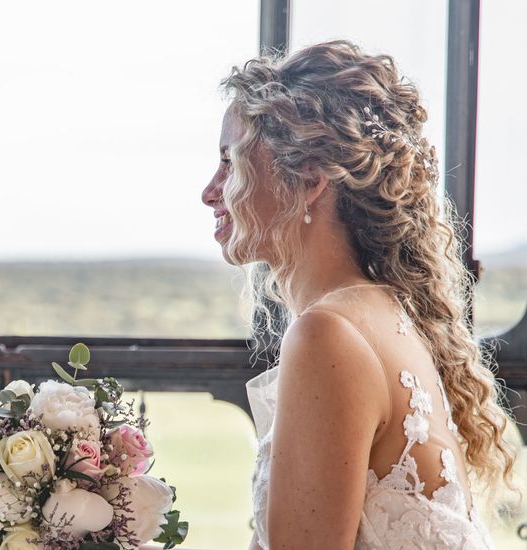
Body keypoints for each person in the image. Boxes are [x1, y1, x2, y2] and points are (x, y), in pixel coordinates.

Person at [202, 41, 517, 548]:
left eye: (229, 162)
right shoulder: (379, 310)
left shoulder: (327, 334)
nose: (210, 190)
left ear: (308, 181)